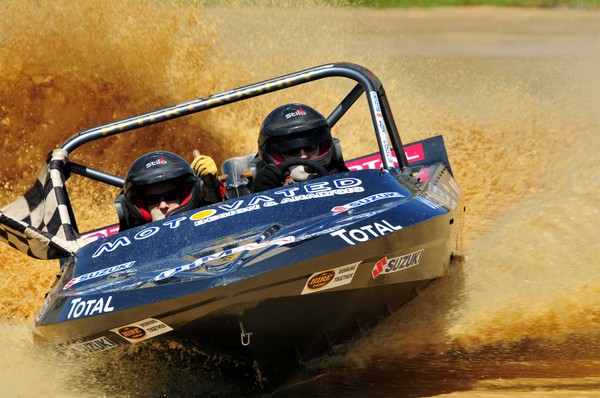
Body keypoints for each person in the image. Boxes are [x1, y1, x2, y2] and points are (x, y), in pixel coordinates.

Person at [252, 103, 348, 192]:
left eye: (310, 146)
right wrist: (262, 192)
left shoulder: (343, 178)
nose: (304, 156)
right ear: (275, 156)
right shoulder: (264, 189)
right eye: (292, 150)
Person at [115, 151, 224, 230]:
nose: (163, 205)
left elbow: (217, 210)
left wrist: (211, 185)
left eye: (171, 196)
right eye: (153, 199)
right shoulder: (129, 239)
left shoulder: (206, 217)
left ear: (184, 195)